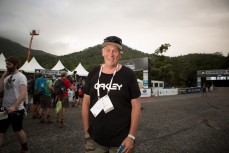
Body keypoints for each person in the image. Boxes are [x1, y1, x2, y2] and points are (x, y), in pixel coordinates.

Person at [82, 36, 141, 153]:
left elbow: (136, 106)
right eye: (108, 50)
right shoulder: (93, 73)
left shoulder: (128, 75)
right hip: (94, 139)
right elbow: (86, 103)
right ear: (102, 52)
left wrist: (131, 136)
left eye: (115, 50)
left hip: (122, 140)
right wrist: (86, 131)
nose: (111, 54)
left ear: (120, 54)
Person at [0, 56, 29, 153]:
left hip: (16, 109)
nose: (6, 66)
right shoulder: (7, 76)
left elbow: (23, 93)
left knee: (18, 130)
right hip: (4, 109)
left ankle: (25, 149)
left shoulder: (21, 76)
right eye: (6, 64)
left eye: (9, 64)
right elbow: (0, 89)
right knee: (1, 131)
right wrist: (3, 76)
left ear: (16, 65)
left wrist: (14, 106)